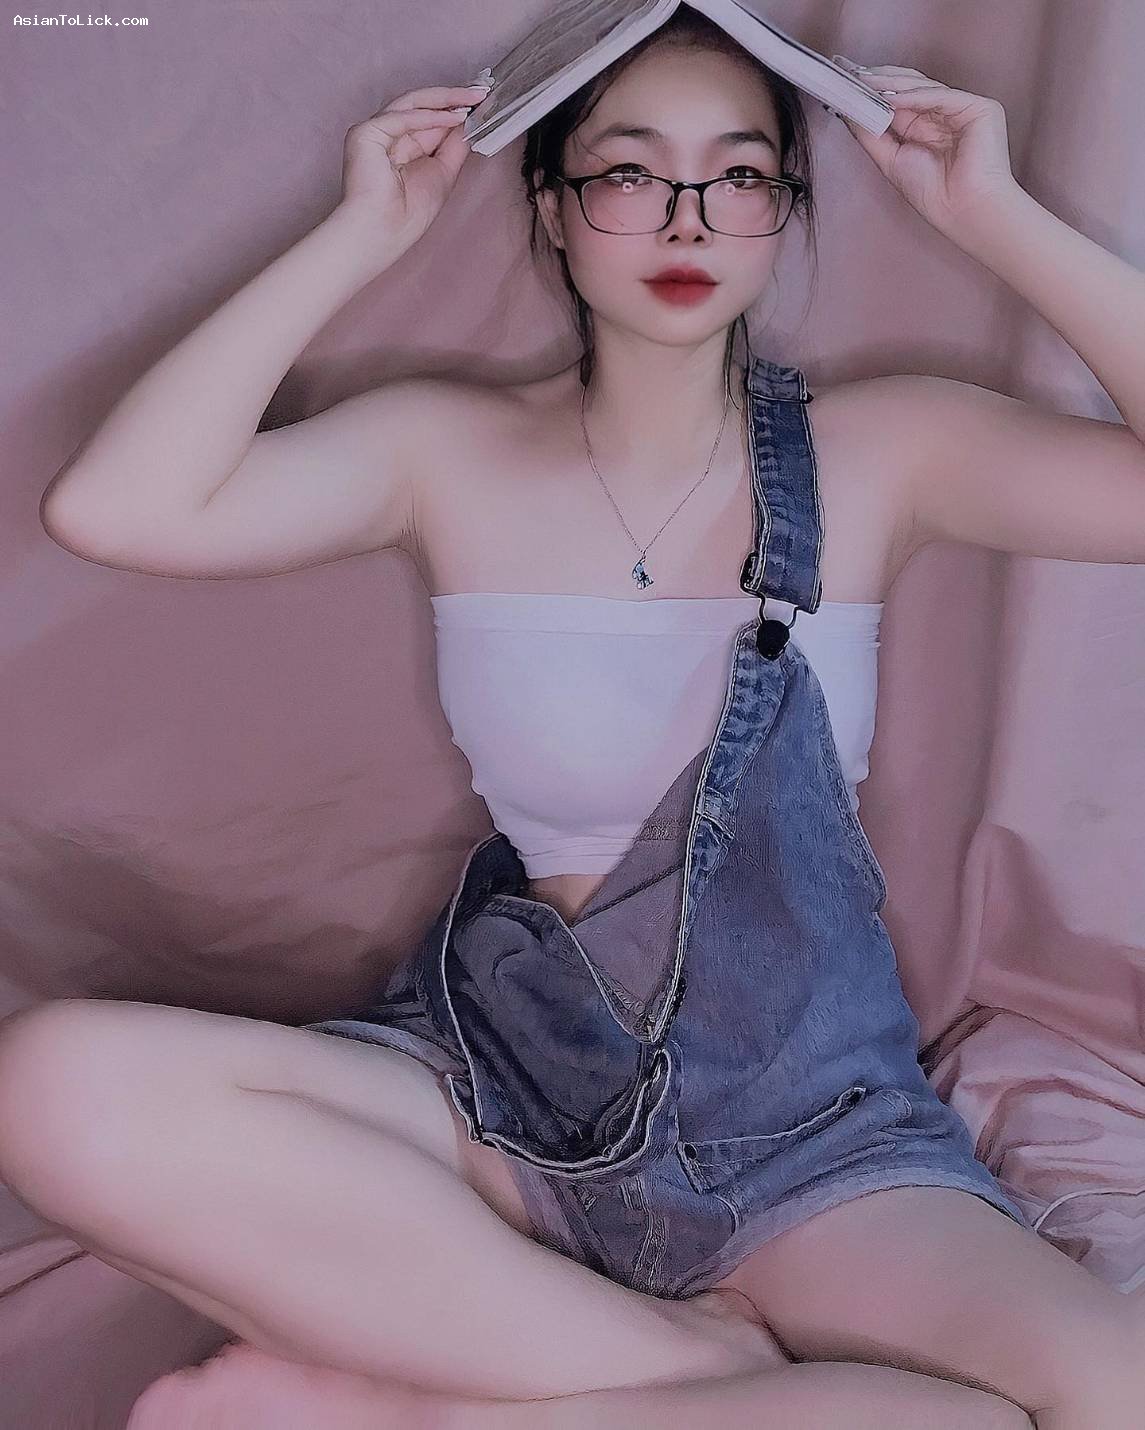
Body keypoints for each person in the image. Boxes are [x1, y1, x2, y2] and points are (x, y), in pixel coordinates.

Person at [4, 11, 1145, 1428]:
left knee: (1119, 1390)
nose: (686, 218)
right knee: (57, 1084)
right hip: (505, 1084)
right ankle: (698, 1376)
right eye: (629, 173)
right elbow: (117, 507)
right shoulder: (445, 449)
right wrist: (363, 232)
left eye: (739, 175)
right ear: (549, 207)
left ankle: (455, 1406)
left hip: (804, 1131)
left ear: (785, 210)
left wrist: (993, 213)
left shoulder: (887, 447)